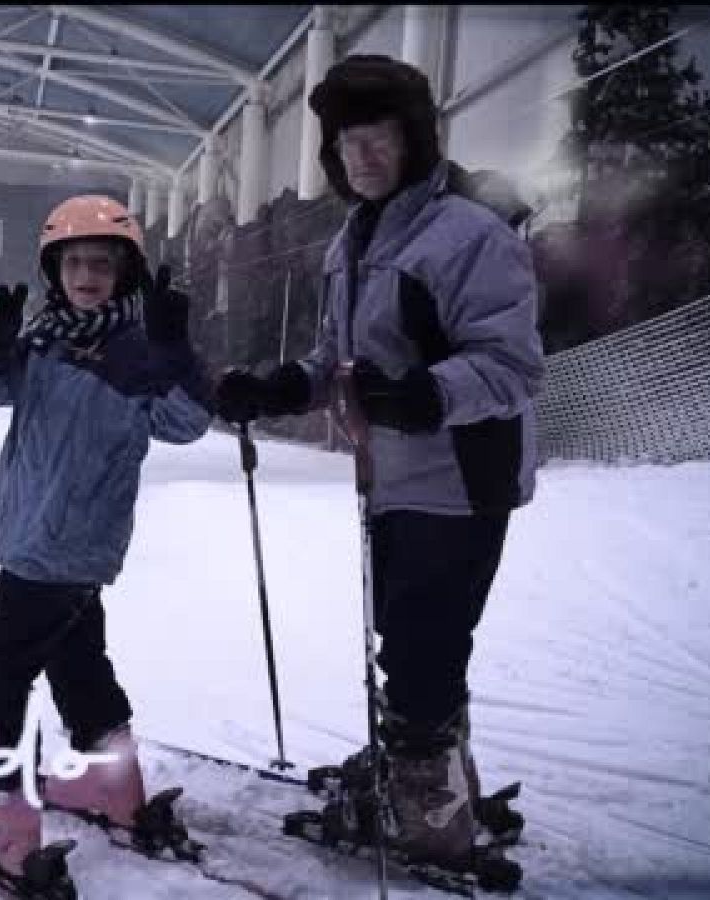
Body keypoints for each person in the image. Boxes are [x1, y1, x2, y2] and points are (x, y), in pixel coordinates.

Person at [214, 55, 545, 869]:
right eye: (346, 144)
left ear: (415, 140)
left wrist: (425, 396)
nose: (360, 157)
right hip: (394, 475)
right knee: (413, 634)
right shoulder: (353, 242)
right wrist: (284, 385)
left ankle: (428, 814)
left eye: (378, 139)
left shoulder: (468, 236)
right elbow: (340, 356)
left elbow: (511, 366)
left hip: (462, 475)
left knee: (422, 643)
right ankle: (431, 773)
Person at [0, 194, 213, 876]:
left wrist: (175, 354)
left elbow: (188, 423)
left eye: (101, 264)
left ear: (125, 273)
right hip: (42, 536)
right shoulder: (45, 338)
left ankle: (1, 820)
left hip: (63, 544)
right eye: (73, 263)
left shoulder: (135, 349)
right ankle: (110, 783)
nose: (86, 276)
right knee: (77, 660)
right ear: (53, 270)